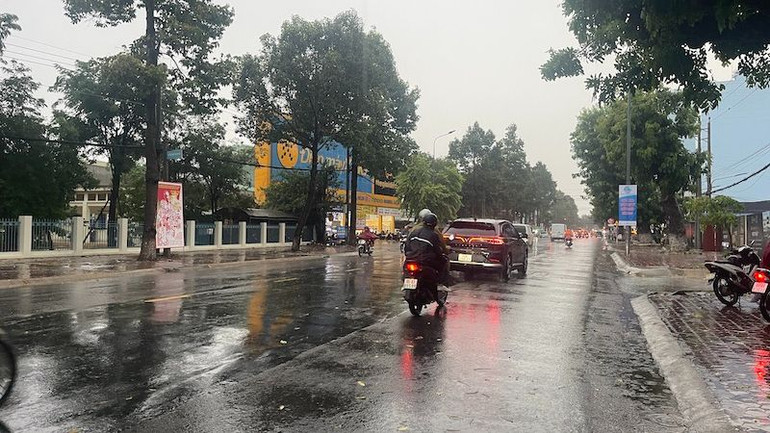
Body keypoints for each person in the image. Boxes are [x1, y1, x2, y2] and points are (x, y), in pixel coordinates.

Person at [404, 212, 452, 302]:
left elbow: (406, 246)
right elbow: (438, 250)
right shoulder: (434, 234)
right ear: (434, 224)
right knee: (443, 261)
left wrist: (408, 255)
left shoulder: (413, 230)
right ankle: (440, 284)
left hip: (411, 259)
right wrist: (442, 255)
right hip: (425, 260)